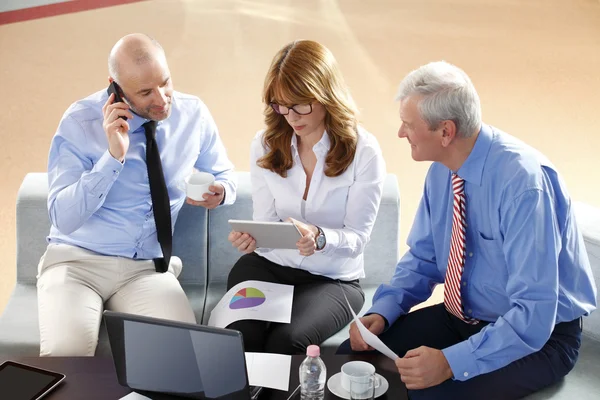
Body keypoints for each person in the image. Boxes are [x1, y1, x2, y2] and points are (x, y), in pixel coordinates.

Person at [337, 61, 597, 399]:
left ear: (445, 131)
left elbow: (533, 313)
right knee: (349, 357)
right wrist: (384, 311)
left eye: (407, 124)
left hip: (541, 338)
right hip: (463, 317)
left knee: (425, 395)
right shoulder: (443, 171)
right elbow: (424, 258)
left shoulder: (524, 185)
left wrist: (449, 362)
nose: (401, 133)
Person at [37, 33, 237, 356]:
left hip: (145, 268)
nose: (161, 99)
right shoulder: (79, 122)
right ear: (115, 87)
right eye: (145, 93)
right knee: (67, 356)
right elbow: (63, 216)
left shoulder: (193, 116)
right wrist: (112, 159)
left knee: (186, 354)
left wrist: (220, 192)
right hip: (75, 263)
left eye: (165, 82)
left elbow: (226, 175)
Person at [225, 40, 386, 354]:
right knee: (239, 341)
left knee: (286, 343)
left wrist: (320, 238)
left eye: (300, 104)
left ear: (326, 94)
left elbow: (358, 238)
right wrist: (254, 239)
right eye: (280, 105)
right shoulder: (265, 144)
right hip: (268, 265)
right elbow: (266, 221)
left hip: (333, 280)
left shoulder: (364, 151)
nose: (290, 116)